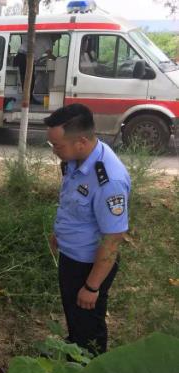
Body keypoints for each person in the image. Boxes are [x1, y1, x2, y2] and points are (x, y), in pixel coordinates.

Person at [45, 103, 131, 354]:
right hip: (72, 257)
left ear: (81, 140)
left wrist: (92, 286)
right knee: (74, 316)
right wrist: (60, 233)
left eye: (58, 146)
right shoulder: (77, 159)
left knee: (89, 328)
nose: (54, 152)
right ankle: (74, 352)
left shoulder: (109, 180)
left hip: (89, 266)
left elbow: (113, 238)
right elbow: (73, 204)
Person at [13, 33, 59, 104]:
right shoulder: (48, 40)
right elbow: (49, 55)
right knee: (29, 79)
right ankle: (29, 99)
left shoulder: (43, 36)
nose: (55, 43)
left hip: (21, 55)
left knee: (26, 79)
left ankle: (28, 98)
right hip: (26, 57)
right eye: (56, 40)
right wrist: (59, 60)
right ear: (54, 35)